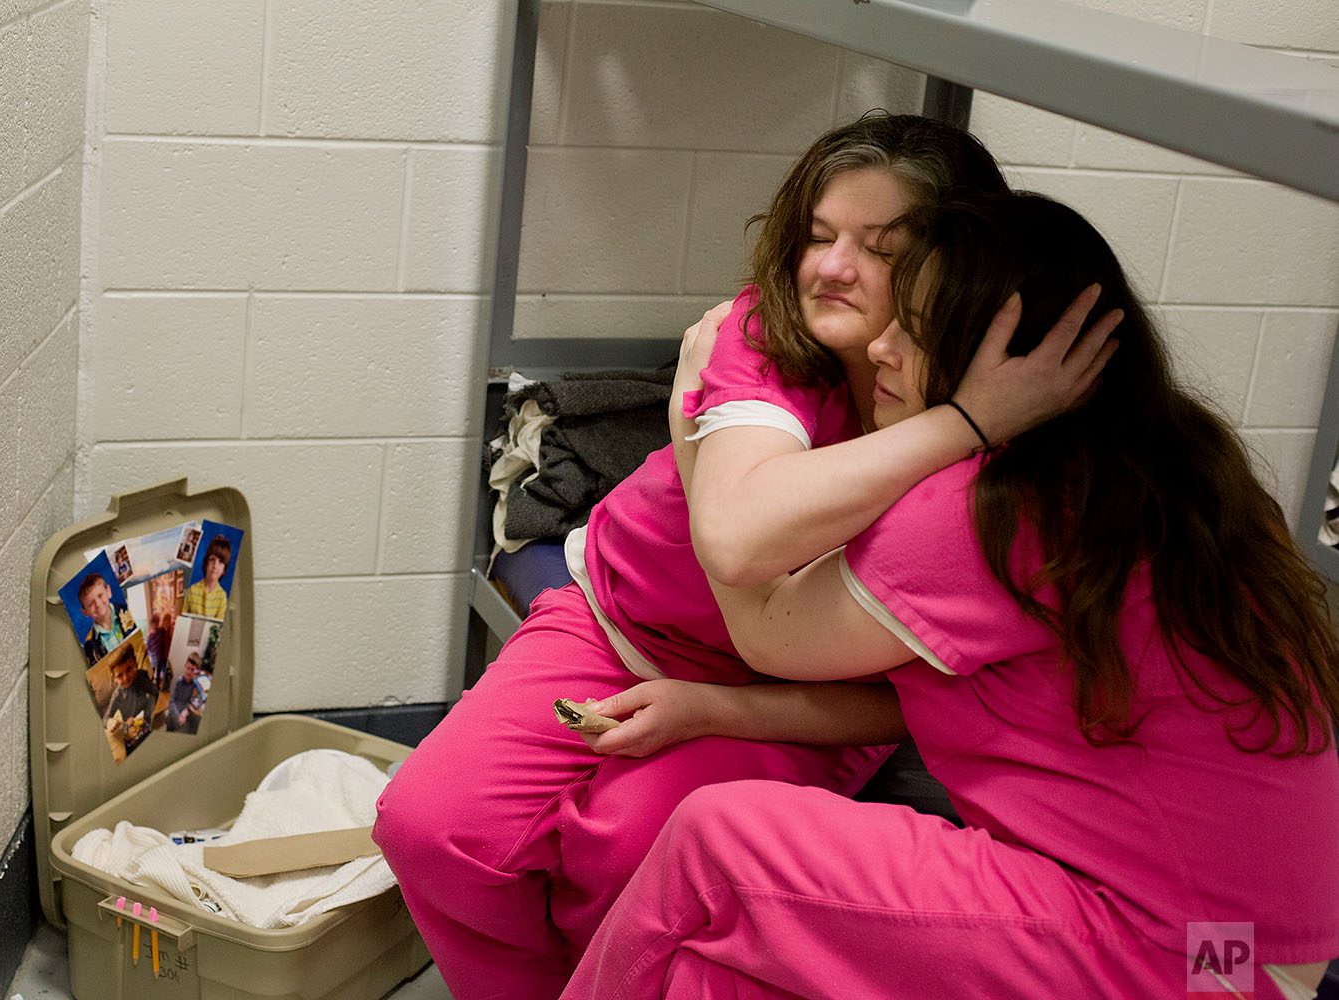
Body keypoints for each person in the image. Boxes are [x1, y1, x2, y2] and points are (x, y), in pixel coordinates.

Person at [373, 113, 1118, 1000]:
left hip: (791, 692)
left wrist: (963, 423)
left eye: (884, 248)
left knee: (626, 855)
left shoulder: (988, 455)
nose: (832, 268)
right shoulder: (767, 335)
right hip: (617, 620)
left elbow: (907, 693)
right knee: (431, 825)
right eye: (816, 236)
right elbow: (741, 538)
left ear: (959, 262)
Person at [561, 190, 1339, 1000]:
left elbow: (760, 615)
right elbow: (951, 696)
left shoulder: (999, 509)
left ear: (1006, 364)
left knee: (717, 839)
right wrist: (714, 709)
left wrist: (695, 445)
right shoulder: (1168, 461)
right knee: (706, 972)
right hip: (1253, 948)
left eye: (919, 331)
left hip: (1191, 959)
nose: (883, 347)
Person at [102, 644, 160, 754]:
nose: (126, 677)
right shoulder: (117, 695)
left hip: (151, 722)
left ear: (135, 663)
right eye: (120, 675)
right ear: (113, 678)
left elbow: (155, 692)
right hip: (134, 735)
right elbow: (105, 719)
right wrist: (109, 722)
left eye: (129, 669)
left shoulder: (141, 676)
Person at [78, 572, 131, 663]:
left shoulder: (128, 609)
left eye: (100, 595)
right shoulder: (89, 644)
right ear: (85, 612)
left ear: (108, 592)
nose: (98, 604)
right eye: (91, 604)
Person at [184, 535, 230, 619]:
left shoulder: (222, 597)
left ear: (224, 570)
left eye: (220, 562)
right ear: (206, 564)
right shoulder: (192, 590)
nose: (215, 565)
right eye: (212, 559)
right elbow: (183, 618)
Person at [165, 652, 207, 734]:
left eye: (192, 670)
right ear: (185, 666)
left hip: (183, 711)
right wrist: (179, 715)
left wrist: (185, 711)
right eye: (188, 668)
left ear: (196, 671)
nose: (189, 672)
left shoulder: (194, 684)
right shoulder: (179, 682)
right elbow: (171, 702)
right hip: (174, 711)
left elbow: (189, 701)